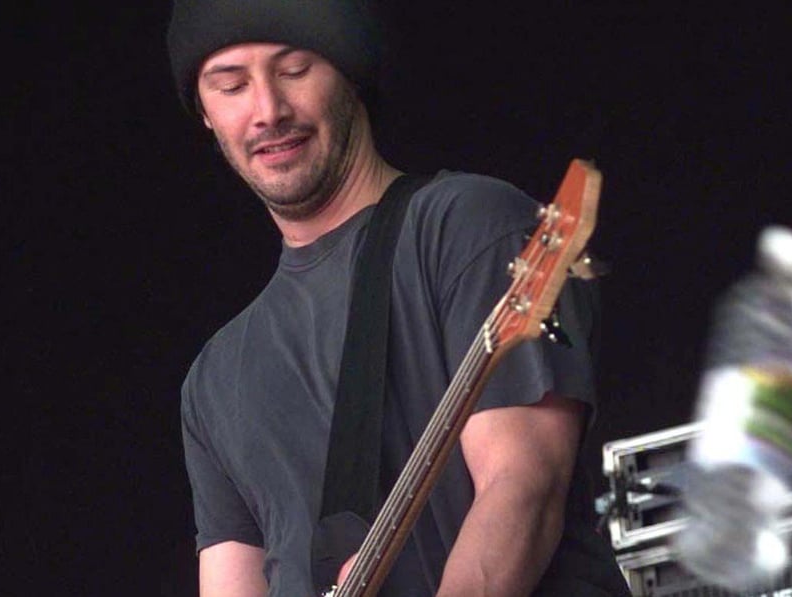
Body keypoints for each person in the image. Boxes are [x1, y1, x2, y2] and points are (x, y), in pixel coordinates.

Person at [167, 1, 631, 595]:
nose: (267, 110)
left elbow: (523, 486)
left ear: (349, 73)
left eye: (294, 70)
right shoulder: (213, 380)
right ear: (206, 113)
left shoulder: (467, 226)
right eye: (231, 85)